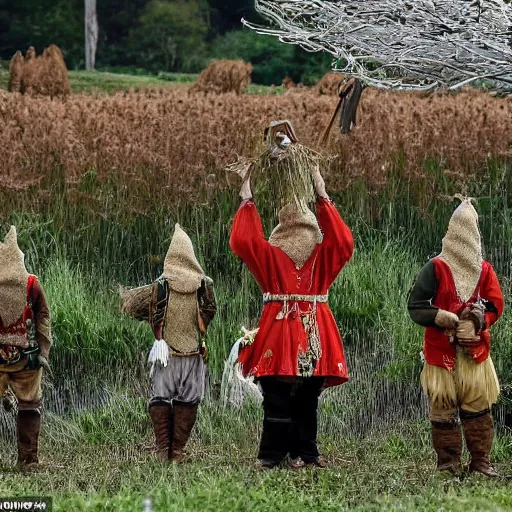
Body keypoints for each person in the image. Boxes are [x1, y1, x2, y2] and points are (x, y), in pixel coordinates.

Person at [229, 141, 354, 469]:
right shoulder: (322, 255)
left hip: (280, 331)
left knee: (284, 398)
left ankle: (281, 455)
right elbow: (343, 242)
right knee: (299, 399)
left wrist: (247, 193)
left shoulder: (270, 256)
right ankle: (299, 454)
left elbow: (243, 240)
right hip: (314, 331)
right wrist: (321, 194)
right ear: (314, 233)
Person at [408, 198, 504, 477]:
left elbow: (494, 303)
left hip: (474, 356)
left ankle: (480, 464)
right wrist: (443, 318)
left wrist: (476, 320)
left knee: (478, 409)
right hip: (441, 355)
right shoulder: (435, 268)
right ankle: (448, 465)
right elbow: (416, 305)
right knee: (442, 410)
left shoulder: (484, 270)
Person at [121, 224, 216, 462]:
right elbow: (210, 313)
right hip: (192, 353)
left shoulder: (161, 285)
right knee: (189, 400)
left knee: (161, 397)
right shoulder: (203, 285)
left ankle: (165, 449)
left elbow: (152, 314)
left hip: (167, 354)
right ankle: (177, 450)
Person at [0, 226, 52, 467]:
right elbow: (43, 317)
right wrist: (43, 350)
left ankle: (28, 459)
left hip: (21, 359)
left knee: (30, 404)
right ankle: (28, 460)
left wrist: (43, 351)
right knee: (30, 404)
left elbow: (42, 316)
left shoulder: (31, 284)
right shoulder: (31, 283)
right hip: (27, 358)